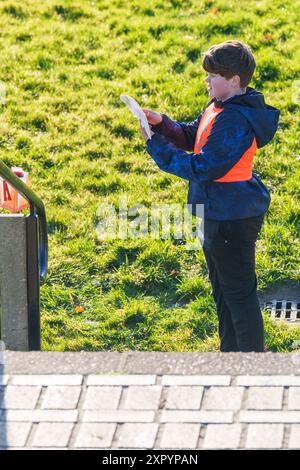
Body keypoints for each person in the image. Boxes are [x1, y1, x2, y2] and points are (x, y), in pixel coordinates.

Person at [139, 39, 280, 352]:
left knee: (239, 295)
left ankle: (251, 366)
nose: (206, 80)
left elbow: (205, 166)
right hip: (216, 211)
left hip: (231, 216)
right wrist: (162, 125)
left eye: (213, 75)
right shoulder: (221, 106)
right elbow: (194, 137)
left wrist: (157, 148)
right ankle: (230, 357)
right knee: (223, 292)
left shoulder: (235, 120)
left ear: (234, 80)